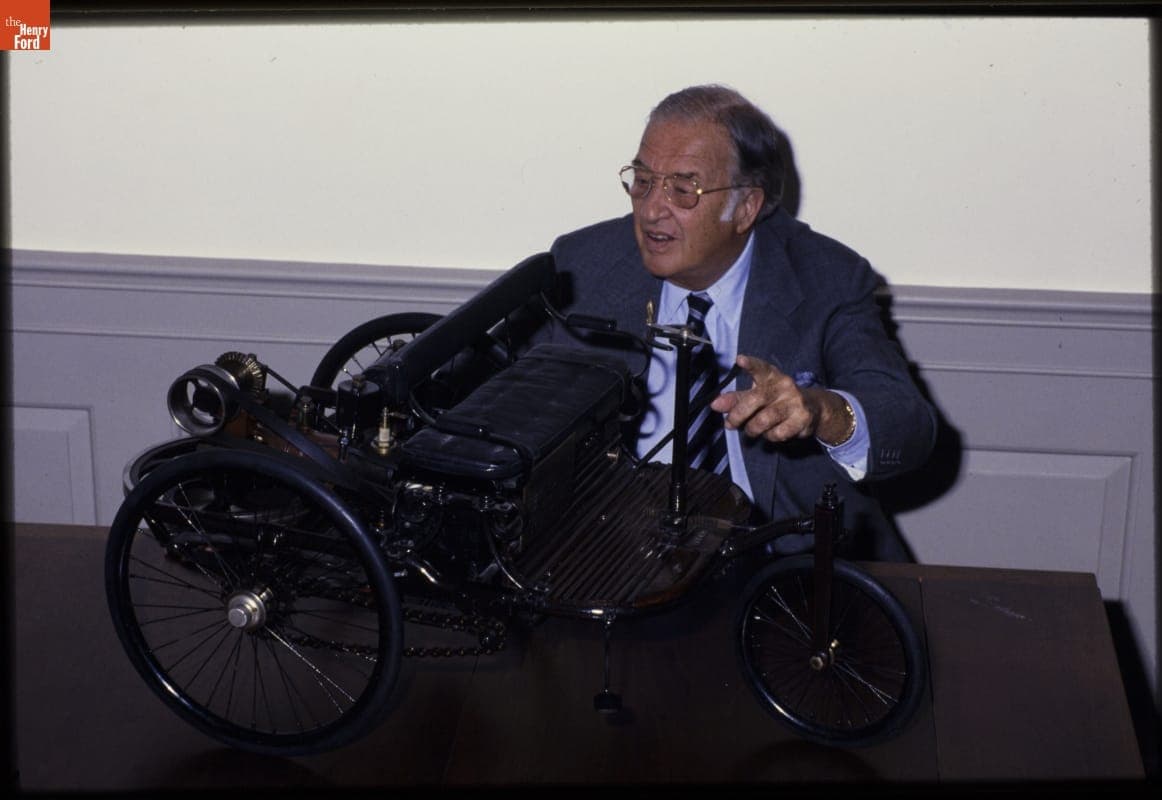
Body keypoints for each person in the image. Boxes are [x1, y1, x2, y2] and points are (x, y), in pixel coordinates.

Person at [541, 84, 937, 561]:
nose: (650, 210)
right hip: (616, 559)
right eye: (642, 180)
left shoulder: (824, 276)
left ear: (746, 207)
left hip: (781, 564)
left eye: (683, 189)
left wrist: (821, 412)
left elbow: (907, 424)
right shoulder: (583, 264)